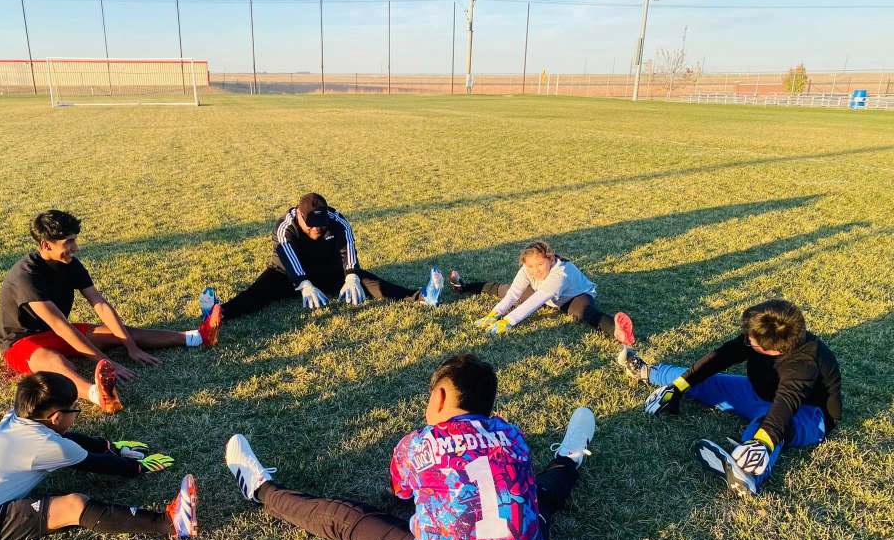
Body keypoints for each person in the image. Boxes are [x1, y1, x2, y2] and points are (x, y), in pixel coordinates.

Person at [224, 353, 596, 540]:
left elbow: (401, 492)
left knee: (344, 520)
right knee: (538, 497)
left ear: (440, 396)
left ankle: (260, 489)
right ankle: (570, 456)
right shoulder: (512, 437)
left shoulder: (417, 443)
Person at [0, 372, 197, 540]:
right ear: (56, 417)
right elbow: (97, 463)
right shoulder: (48, 445)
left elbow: (73, 440)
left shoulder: (14, 419)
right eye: (74, 411)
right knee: (73, 505)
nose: (76, 416)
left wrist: (110, 446)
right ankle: (169, 523)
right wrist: (136, 466)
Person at [0, 209, 222, 414]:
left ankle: (198, 337)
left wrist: (130, 346)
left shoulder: (70, 264)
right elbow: (61, 327)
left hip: (55, 332)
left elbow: (100, 304)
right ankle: (99, 396)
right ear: (46, 245)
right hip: (21, 342)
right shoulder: (26, 277)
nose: (76, 248)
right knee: (55, 362)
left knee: (120, 332)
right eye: (69, 242)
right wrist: (104, 361)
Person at [620, 299, 842, 497]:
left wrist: (763, 442)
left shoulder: (804, 364)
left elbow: (786, 404)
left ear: (771, 350)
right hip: (759, 391)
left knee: (770, 424)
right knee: (705, 380)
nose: (746, 340)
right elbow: (720, 357)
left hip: (809, 414)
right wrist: (677, 387)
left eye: (750, 339)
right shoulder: (762, 337)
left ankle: (748, 475)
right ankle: (647, 371)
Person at [218, 193, 443, 320]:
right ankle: (219, 313)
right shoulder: (285, 227)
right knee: (258, 293)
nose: (317, 229)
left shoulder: (337, 220)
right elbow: (288, 258)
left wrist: (352, 276)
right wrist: (304, 284)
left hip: (328, 272)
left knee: (370, 283)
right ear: (299, 216)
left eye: (321, 224)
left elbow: (348, 250)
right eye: (311, 225)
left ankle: (423, 297)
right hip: (286, 275)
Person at [450, 239, 635, 344]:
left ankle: (617, 331)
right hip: (545, 296)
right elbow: (513, 293)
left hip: (574, 296)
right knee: (504, 290)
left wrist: (506, 322)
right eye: (531, 266)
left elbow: (535, 302)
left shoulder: (559, 275)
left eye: (540, 264)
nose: (536, 270)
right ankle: (464, 287)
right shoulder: (526, 270)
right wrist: (494, 314)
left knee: (583, 312)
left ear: (550, 259)